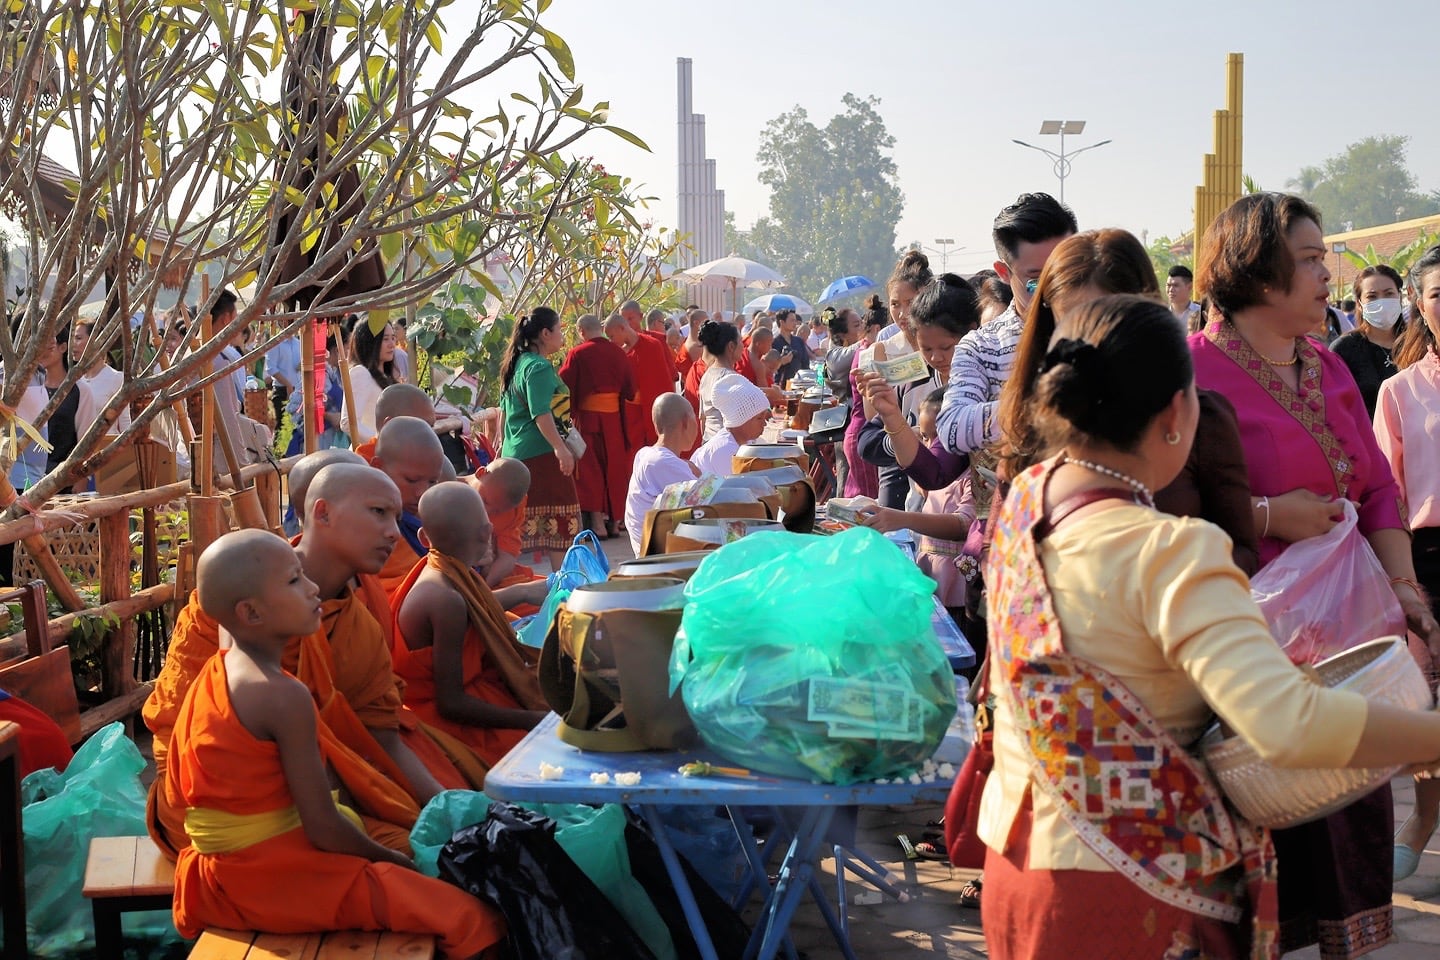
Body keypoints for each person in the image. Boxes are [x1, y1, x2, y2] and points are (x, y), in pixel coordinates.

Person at [977, 293, 1440, 960]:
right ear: (1176, 414)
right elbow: (1288, 724)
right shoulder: (1169, 549)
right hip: (1132, 888)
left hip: (1019, 857)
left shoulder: (1028, 501)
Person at [1192, 192, 1439, 956]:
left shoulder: (1328, 364)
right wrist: (1268, 517)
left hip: (1348, 641)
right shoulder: (1192, 371)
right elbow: (1166, 508)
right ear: (1256, 271)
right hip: (1244, 652)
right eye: (1307, 258)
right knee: (1263, 842)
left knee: (1347, 822)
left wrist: (1405, 592)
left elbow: (1378, 490)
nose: (1328, 271)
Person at [167, 530, 504, 958]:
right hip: (272, 880)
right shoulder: (280, 694)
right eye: (293, 582)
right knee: (472, 917)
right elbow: (323, 827)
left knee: (413, 852)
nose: (312, 590)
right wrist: (395, 864)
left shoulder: (228, 663)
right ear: (250, 613)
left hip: (223, 872)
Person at [144, 464, 448, 858]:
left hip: (316, 797)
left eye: (396, 516)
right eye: (378, 512)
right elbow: (179, 726)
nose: (394, 531)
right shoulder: (234, 603)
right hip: (215, 809)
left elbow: (380, 731)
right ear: (322, 512)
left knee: (441, 835)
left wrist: (445, 808)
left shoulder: (359, 619)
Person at [1002, 229, 1258, 573]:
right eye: (1073, 321)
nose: (1092, 338)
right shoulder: (1033, 415)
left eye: (1109, 320)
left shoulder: (1198, 416)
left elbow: (1240, 551)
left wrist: (1165, 580)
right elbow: (1004, 551)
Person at [392, 483, 549, 768]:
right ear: (487, 532)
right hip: (442, 722)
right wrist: (537, 721)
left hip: (468, 694)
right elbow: (451, 704)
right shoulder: (446, 600)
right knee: (550, 748)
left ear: (424, 538)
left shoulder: (443, 571)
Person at [1373, 244, 1440, 882]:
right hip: (1428, 556)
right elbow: (1384, 490)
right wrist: (1402, 580)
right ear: (1419, 304)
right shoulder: (1399, 391)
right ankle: (1421, 820)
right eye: (1438, 293)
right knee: (1424, 700)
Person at [937, 192, 1077, 456]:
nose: (1056, 288)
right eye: (1036, 281)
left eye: (1066, 272)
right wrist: (1047, 406)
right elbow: (952, 428)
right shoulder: (982, 346)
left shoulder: (1105, 327)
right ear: (1004, 273)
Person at [856, 253, 942, 508]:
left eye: (910, 302)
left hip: (941, 454)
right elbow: (874, 420)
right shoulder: (879, 352)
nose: (903, 313)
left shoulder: (945, 347)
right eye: (895, 305)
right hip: (895, 456)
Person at [498, 306, 579, 571]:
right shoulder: (539, 367)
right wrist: (560, 449)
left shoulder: (517, 363)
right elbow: (541, 413)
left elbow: (503, 412)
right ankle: (562, 585)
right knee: (561, 528)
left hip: (518, 451)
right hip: (541, 454)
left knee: (517, 530)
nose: (562, 335)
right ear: (545, 334)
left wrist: (500, 446)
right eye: (559, 330)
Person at [559, 314, 636, 539]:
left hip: (589, 420)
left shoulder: (577, 353)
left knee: (590, 471)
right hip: (613, 420)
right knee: (613, 469)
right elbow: (630, 389)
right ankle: (614, 522)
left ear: (581, 330)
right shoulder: (618, 353)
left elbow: (563, 387)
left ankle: (596, 523)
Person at [370, 417, 445, 597]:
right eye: (411, 480)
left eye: (432, 482)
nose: (422, 492)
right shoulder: (365, 521)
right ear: (378, 468)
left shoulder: (421, 514)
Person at [625, 394, 701, 556]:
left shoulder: (646, 454)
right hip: (658, 554)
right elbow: (709, 498)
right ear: (686, 422)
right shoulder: (661, 462)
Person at [1332, 263, 1406, 418]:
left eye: (1388, 294)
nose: (1381, 302)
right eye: (1372, 296)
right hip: (1369, 439)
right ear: (1359, 303)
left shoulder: (1419, 342)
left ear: (1399, 296)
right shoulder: (1344, 349)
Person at [841, 295, 888, 498]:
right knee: (868, 503)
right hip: (864, 431)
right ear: (878, 329)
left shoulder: (862, 349)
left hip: (858, 430)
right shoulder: (869, 353)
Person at [611, 311, 677, 448]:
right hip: (631, 419)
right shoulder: (621, 353)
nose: (611, 341)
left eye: (612, 336)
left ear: (621, 328)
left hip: (654, 412)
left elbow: (665, 381)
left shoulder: (652, 345)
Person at [690, 375, 771, 477]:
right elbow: (740, 487)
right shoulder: (725, 450)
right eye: (759, 418)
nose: (764, 423)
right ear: (741, 421)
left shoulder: (745, 441)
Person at [70, 318, 133, 442]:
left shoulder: (115, 378)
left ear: (96, 341)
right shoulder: (73, 380)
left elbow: (125, 421)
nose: (72, 344)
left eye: (78, 338)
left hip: (104, 449)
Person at [340, 319, 399, 446]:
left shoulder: (386, 376)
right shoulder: (361, 373)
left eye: (393, 338)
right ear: (370, 342)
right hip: (369, 456)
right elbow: (348, 422)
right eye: (385, 339)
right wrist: (381, 442)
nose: (392, 344)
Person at [695, 318, 744, 441]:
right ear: (731, 346)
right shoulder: (731, 378)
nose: (744, 346)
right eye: (741, 341)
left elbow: (703, 418)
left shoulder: (707, 374)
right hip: (726, 444)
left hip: (708, 441)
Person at [771, 308, 811, 387]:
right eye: (792, 320)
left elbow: (805, 363)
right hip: (781, 384)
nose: (795, 323)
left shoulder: (799, 341)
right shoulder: (774, 343)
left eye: (795, 320)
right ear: (782, 322)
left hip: (799, 384)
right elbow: (769, 368)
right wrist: (781, 362)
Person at [1166, 264, 1202, 333]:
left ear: (1190, 287)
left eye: (1175, 285)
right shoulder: (1162, 316)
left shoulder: (1200, 314)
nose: (1170, 289)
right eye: (1168, 285)